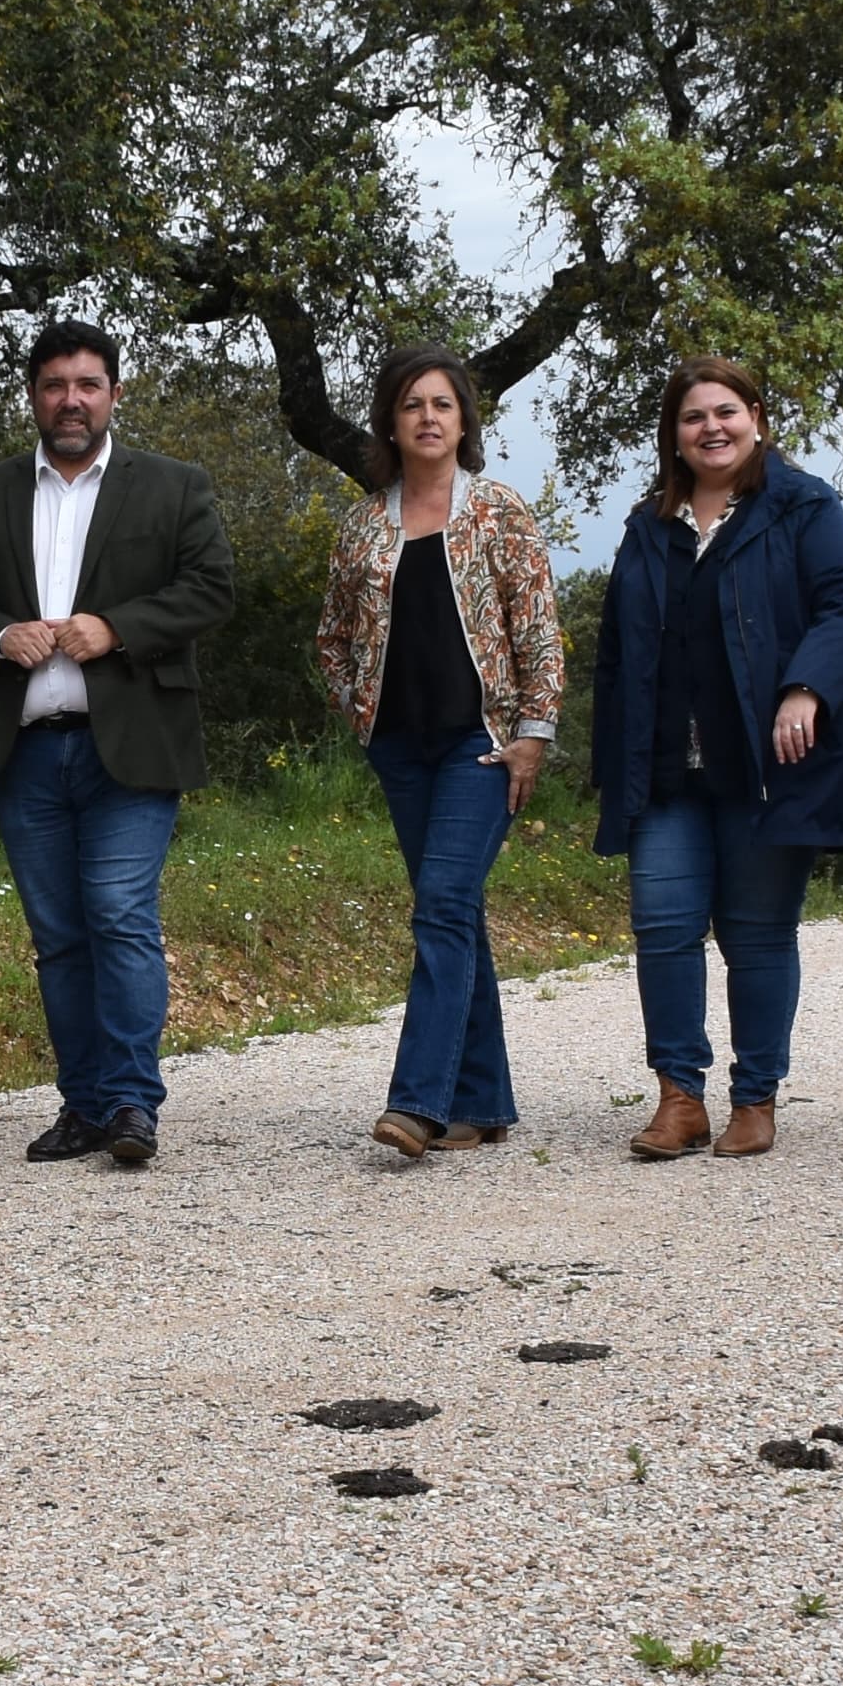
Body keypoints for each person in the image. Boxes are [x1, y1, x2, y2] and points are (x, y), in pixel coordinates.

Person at [0, 319, 238, 1167]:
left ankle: (133, 1102)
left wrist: (117, 628)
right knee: (59, 934)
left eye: (88, 384)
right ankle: (84, 1104)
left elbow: (211, 587)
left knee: (119, 914)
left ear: (114, 394)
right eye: (56, 384)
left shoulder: (171, 487)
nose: (72, 399)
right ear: (34, 395)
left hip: (131, 747)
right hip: (24, 749)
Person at [586, 356, 843, 1160]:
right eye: (692, 417)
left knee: (757, 935)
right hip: (666, 774)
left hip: (765, 771)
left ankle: (755, 1098)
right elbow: (616, 652)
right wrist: (612, 761)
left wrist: (806, 688)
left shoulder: (803, 507)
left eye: (726, 412)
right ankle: (680, 1099)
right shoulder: (648, 525)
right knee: (664, 929)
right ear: (673, 436)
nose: (711, 427)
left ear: (757, 418)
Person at [313, 347, 562, 1158]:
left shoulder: (499, 512)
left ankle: (417, 1101)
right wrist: (362, 714)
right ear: (391, 419)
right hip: (401, 751)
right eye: (413, 404)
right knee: (454, 913)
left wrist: (532, 733)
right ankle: (483, 1101)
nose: (428, 416)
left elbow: (538, 631)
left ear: (464, 422)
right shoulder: (361, 526)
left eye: (443, 404)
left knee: (443, 905)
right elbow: (334, 638)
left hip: (479, 747)